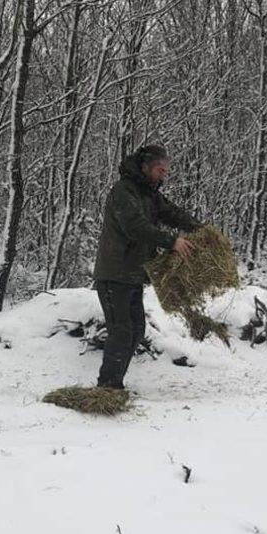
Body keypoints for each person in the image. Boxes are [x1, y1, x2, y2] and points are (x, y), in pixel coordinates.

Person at [93, 144, 200, 390]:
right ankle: (108, 387)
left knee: (136, 330)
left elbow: (172, 213)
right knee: (121, 332)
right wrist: (171, 241)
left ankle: (114, 382)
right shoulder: (123, 191)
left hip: (133, 275)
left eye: (166, 170)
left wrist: (201, 229)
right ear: (145, 167)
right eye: (160, 170)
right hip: (114, 273)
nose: (164, 175)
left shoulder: (148, 194)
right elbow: (135, 226)